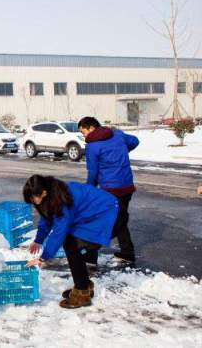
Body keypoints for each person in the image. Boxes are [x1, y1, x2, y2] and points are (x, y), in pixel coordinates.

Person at [24, 175, 118, 309]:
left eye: (33, 198)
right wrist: (38, 240)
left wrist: (43, 258)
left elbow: (59, 232)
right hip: (94, 213)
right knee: (71, 243)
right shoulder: (51, 194)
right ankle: (84, 283)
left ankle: (82, 292)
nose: (32, 201)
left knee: (71, 244)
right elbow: (46, 218)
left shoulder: (61, 200)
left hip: (106, 213)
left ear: (43, 192)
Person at [78, 116, 139, 263]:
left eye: (83, 131)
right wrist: (121, 152)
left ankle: (90, 257)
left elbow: (93, 172)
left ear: (91, 128)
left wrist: (89, 190)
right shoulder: (117, 135)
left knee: (100, 221)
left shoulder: (92, 146)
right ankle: (127, 252)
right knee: (120, 219)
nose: (83, 135)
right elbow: (135, 141)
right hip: (127, 187)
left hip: (110, 190)